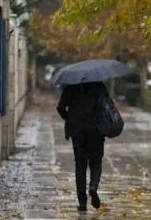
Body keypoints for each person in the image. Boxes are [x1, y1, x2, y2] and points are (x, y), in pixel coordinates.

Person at [57, 82, 109, 211]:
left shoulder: (70, 87)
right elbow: (107, 106)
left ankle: (82, 203)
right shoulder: (99, 87)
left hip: (77, 132)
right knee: (96, 163)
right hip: (95, 131)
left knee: (80, 165)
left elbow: (60, 107)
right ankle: (93, 186)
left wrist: (69, 117)